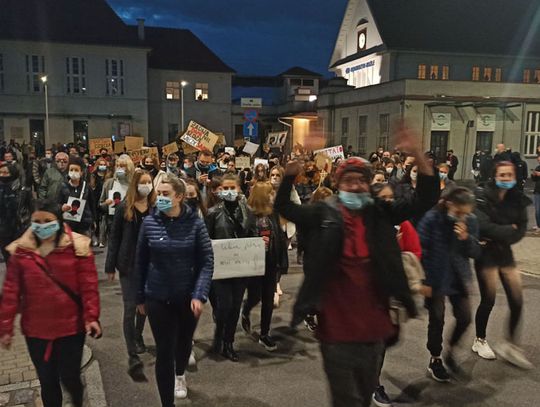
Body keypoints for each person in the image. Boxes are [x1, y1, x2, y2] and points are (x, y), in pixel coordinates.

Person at [274, 125, 439, 407]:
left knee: (363, 396)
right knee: (345, 399)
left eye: (360, 180)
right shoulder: (324, 212)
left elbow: (425, 199)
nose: (354, 186)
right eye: (348, 181)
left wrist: (418, 156)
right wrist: (290, 174)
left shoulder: (381, 213)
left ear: (368, 185)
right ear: (338, 185)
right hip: (335, 328)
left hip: (374, 328)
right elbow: (287, 209)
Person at [0, 200, 101, 407]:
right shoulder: (21, 251)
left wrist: (92, 317)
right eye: (37, 221)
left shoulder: (77, 247)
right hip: (36, 331)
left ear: (58, 221)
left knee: (70, 377)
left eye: (47, 221)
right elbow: (11, 291)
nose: (41, 225)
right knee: (47, 382)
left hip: (71, 329)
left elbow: (88, 286)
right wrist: (5, 327)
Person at [134, 175, 213, 404]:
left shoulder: (195, 224)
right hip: (157, 297)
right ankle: (166, 402)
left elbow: (206, 261)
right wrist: (139, 296)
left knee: (183, 343)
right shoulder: (149, 223)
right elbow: (140, 262)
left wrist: (200, 294)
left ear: (179, 196)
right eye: (158, 194)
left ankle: (180, 374)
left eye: (165, 194)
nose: (160, 198)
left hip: (187, 297)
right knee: (164, 351)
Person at [472, 161, 533, 369]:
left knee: (517, 300)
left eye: (510, 175)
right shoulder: (482, 195)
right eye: (502, 174)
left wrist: (501, 232)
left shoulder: (517, 198)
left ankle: (510, 345)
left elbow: (522, 228)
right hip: (485, 254)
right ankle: (479, 340)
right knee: (487, 299)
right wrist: (508, 229)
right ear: (494, 175)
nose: (506, 178)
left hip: (504, 252)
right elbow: (482, 225)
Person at [417, 188, 481, 382]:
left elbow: (476, 252)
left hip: (457, 276)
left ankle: (451, 350)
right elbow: (421, 249)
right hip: (435, 276)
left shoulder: (470, 221)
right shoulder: (431, 218)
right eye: (460, 211)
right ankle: (435, 358)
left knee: (465, 317)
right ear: (449, 203)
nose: (463, 216)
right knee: (437, 319)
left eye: (466, 212)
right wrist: (425, 281)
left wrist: (466, 238)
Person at [105, 170, 156, 376]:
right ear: (135, 185)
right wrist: (109, 266)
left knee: (144, 305)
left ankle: (138, 335)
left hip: (150, 265)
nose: (147, 186)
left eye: (149, 182)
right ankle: (131, 348)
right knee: (130, 307)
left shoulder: (155, 207)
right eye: (143, 183)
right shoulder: (123, 208)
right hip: (128, 264)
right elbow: (114, 238)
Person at [205, 173, 257, 362]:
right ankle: (219, 336)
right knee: (223, 306)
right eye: (225, 188)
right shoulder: (212, 213)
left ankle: (228, 343)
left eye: (232, 188)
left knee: (235, 307)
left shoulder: (248, 212)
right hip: (221, 268)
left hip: (241, 268)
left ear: (239, 189)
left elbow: (253, 234)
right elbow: (206, 241)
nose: (228, 191)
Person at [241, 181, 288, 351]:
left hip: (271, 263)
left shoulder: (274, 213)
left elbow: (280, 238)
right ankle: (245, 311)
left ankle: (264, 334)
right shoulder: (248, 215)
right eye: (270, 193)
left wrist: (282, 262)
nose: (273, 196)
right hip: (254, 265)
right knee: (255, 297)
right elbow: (242, 240)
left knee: (268, 300)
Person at [99, 154, 135, 247]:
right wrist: (106, 204)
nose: (119, 168)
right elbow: (100, 204)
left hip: (129, 220)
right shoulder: (109, 183)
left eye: (122, 166)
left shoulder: (134, 184)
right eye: (117, 166)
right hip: (112, 221)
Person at [0, 164, 32, 262]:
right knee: (7, 255)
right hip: (3, 228)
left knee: (20, 256)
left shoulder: (24, 190)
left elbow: (30, 208)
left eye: (5, 173)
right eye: (0, 172)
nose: (2, 175)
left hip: (20, 227)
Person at [59, 156, 95, 236]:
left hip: (84, 225)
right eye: (71, 170)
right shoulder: (62, 186)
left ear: (81, 172)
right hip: (68, 225)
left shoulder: (86, 187)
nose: (73, 172)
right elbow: (56, 204)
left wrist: (93, 221)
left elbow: (92, 205)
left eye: (76, 170)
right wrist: (62, 207)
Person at [531, 155, 540, 232]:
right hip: (537, 191)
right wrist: (533, 175)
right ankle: (538, 225)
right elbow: (534, 180)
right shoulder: (537, 167)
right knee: (537, 210)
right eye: (538, 160)